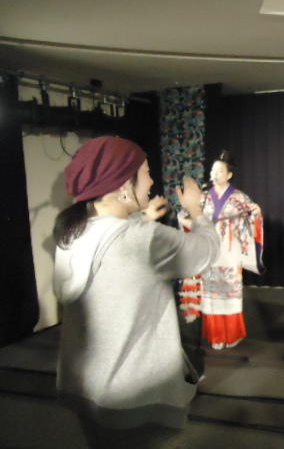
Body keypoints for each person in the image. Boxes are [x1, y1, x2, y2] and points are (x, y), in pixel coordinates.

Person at [53, 136, 220, 447]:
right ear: (122, 187)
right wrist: (197, 211)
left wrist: (141, 218)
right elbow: (205, 251)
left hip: (84, 385)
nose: (152, 181)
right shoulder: (146, 239)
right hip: (134, 393)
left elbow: (116, 238)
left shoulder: (71, 233)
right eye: (146, 173)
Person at [178, 150, 264, 350]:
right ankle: (216, 335)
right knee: (211, 294)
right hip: (209, 250)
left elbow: (253, 216)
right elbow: (187, 214)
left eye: (219, 171)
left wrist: (254, 214)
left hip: (230, 250)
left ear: (229, 175)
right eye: (213, 171)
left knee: (229, 293)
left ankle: (232, 334)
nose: (214, 174)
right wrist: (186, 219)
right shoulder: (203, 197)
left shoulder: (239, 197)